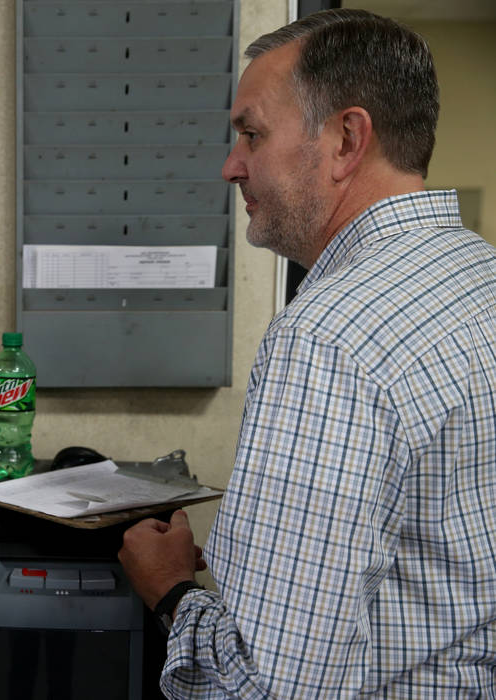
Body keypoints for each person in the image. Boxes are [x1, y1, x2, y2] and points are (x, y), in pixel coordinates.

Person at [118, 9, 496, 697]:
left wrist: (171, 589)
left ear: (347, 139)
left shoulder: (327, 339)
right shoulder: (478, 276)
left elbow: (268, 686)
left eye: (251, 134)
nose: (231, 166)